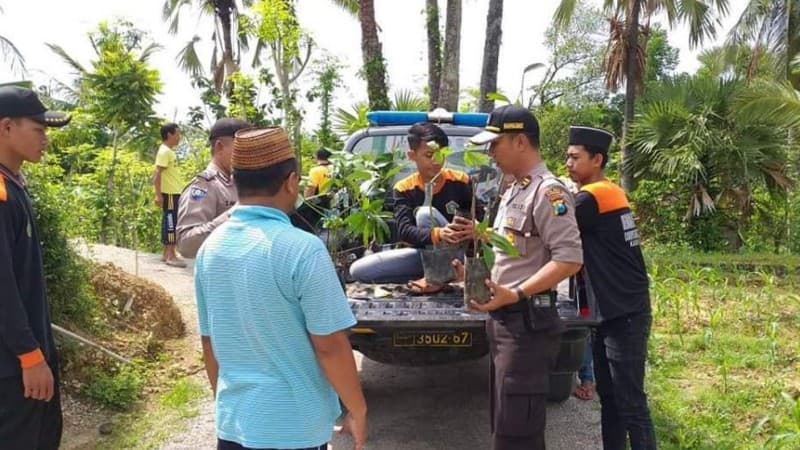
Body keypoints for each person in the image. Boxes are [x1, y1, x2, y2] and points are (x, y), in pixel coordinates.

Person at [194, 127, 367, 450]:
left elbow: (209, 342)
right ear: (290, 182)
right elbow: (329, 345)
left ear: (235, 181)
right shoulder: (303, 249)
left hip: (234, 427)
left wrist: (231, 406)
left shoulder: (210, 249)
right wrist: (357, 408)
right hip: (293, 429)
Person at [465, 105, 583, 450]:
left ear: (519, 141)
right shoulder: (516, 189)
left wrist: (514, 293)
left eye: (494, 144)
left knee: (518, 433)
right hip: (505, 320)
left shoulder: (550, 193)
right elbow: (514, 252)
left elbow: (569, 259)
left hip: (527, 325)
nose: (490, 153)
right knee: (504, 424)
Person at [565, 125, 656, 449]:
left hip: (625, 312)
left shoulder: (595, 196)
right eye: (567, 157)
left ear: (597, 159)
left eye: (575, 158)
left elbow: (556, 222)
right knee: (612, 399)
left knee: (630, 402)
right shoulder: (606, 191)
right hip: (612, 309)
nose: (568, 163)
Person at [0, 85, 71, 449]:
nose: (45, 139)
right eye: (39, 130)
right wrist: (29, 355)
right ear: (6, 127)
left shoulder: (13, 185)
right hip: (12, 367)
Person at [349, 122, 476, 289]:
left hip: (456, 254)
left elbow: (477, 219)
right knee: (359, 270)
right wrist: (438, 233)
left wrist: (472, 228)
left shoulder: (461, 180)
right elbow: (405, 231)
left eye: (441, 155)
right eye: (429, 155)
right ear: (411, 155)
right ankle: (438, 276)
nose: (436, 161)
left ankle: (438, 277)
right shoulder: (404, 188)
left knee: (424, 214)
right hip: (424, 255)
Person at [176, 118, 250, 259]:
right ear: (219, 147)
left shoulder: (241, 182)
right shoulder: (204, 185)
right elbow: (186, 244)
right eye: (241, 148)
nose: (247, 155)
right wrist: (234, 213)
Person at [153, 122, 186, 267]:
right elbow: (157, 174)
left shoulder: (168, 151)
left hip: (174, 192)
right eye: (177, 134)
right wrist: (158, 194)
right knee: (172, 222)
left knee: (169, 220)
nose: (179, 137)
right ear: (169, 135)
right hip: (170, 193)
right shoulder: (164, 152)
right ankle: (171, 255)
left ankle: (166, 252)